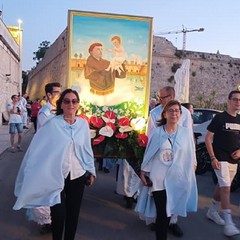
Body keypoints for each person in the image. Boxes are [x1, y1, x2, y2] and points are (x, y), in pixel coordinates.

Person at [13, 88, 96, 240]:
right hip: (55, 175)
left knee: (73, 213)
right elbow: (38, 148)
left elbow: (86, 149)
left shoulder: (83, 125)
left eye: (74, 101)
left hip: (77, 174)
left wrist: (91, 170)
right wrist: (34, 170)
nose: (71, 104)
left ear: (78, 104)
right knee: (58, 213)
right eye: (67, 101)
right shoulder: (52, 125)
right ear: (61, 105)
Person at [138, 86, 193, 237]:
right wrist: (144, 171)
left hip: (177, 175)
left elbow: (189, 150)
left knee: (170, 210)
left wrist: (191, 169)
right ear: (165, 114)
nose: (174, 113)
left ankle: (172, 224)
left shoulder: (186, 125)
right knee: (163, 213)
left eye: (176, 111)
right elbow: (150, 150)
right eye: (170, 111)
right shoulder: (157, 128)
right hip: (159, 177)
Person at [205, 90, 240, 237]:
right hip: (220, 159)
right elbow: (208, 138)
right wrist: (213, 158)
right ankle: (229, 223)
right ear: (228, 101)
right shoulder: (219, 118)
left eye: (239, 100)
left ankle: (212, 210)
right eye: (235, 99)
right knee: (226, 188)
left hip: (234, 161)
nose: (238, 102)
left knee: (221, 186)